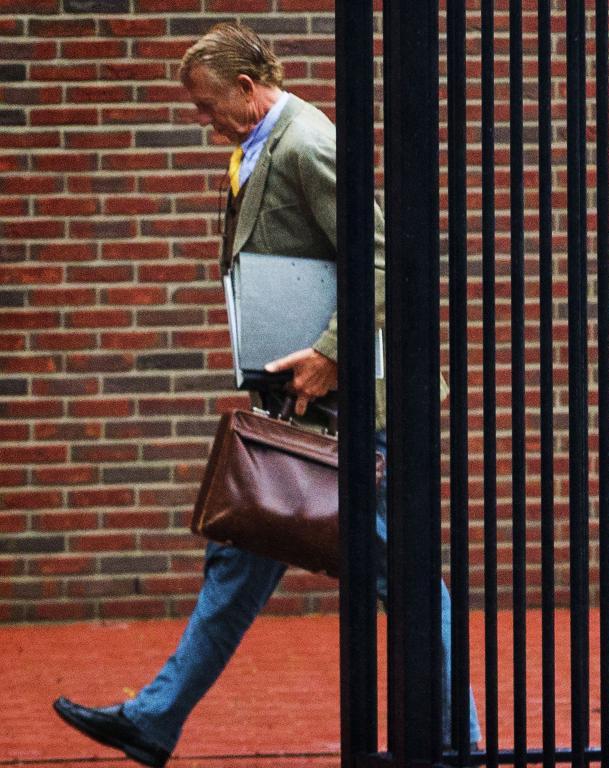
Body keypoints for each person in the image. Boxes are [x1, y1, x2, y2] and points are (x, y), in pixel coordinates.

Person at [52, 22, 481, 768]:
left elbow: (381, 261)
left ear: (248, 89)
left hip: (352, 403)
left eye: (208, 103)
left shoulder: (308, 144)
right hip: (305, 403)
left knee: (402, 575)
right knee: (239, 547)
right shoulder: (261, 145)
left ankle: (457, 742)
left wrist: (328, 357)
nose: (203, 118)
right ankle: (154, 721)